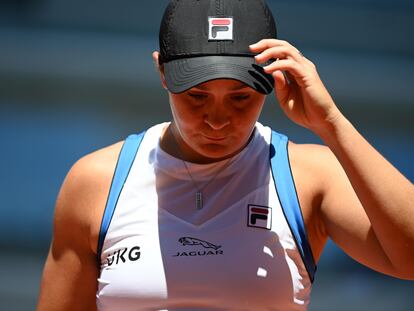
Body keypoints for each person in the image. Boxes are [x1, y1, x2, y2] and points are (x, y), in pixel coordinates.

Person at [37, 0, 414, 310]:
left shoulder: (306, 176)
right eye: (196, 96)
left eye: (240, 98)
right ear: (162, 72)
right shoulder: (96, 182)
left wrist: (330, 122)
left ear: (274, 82)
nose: (218, 120)